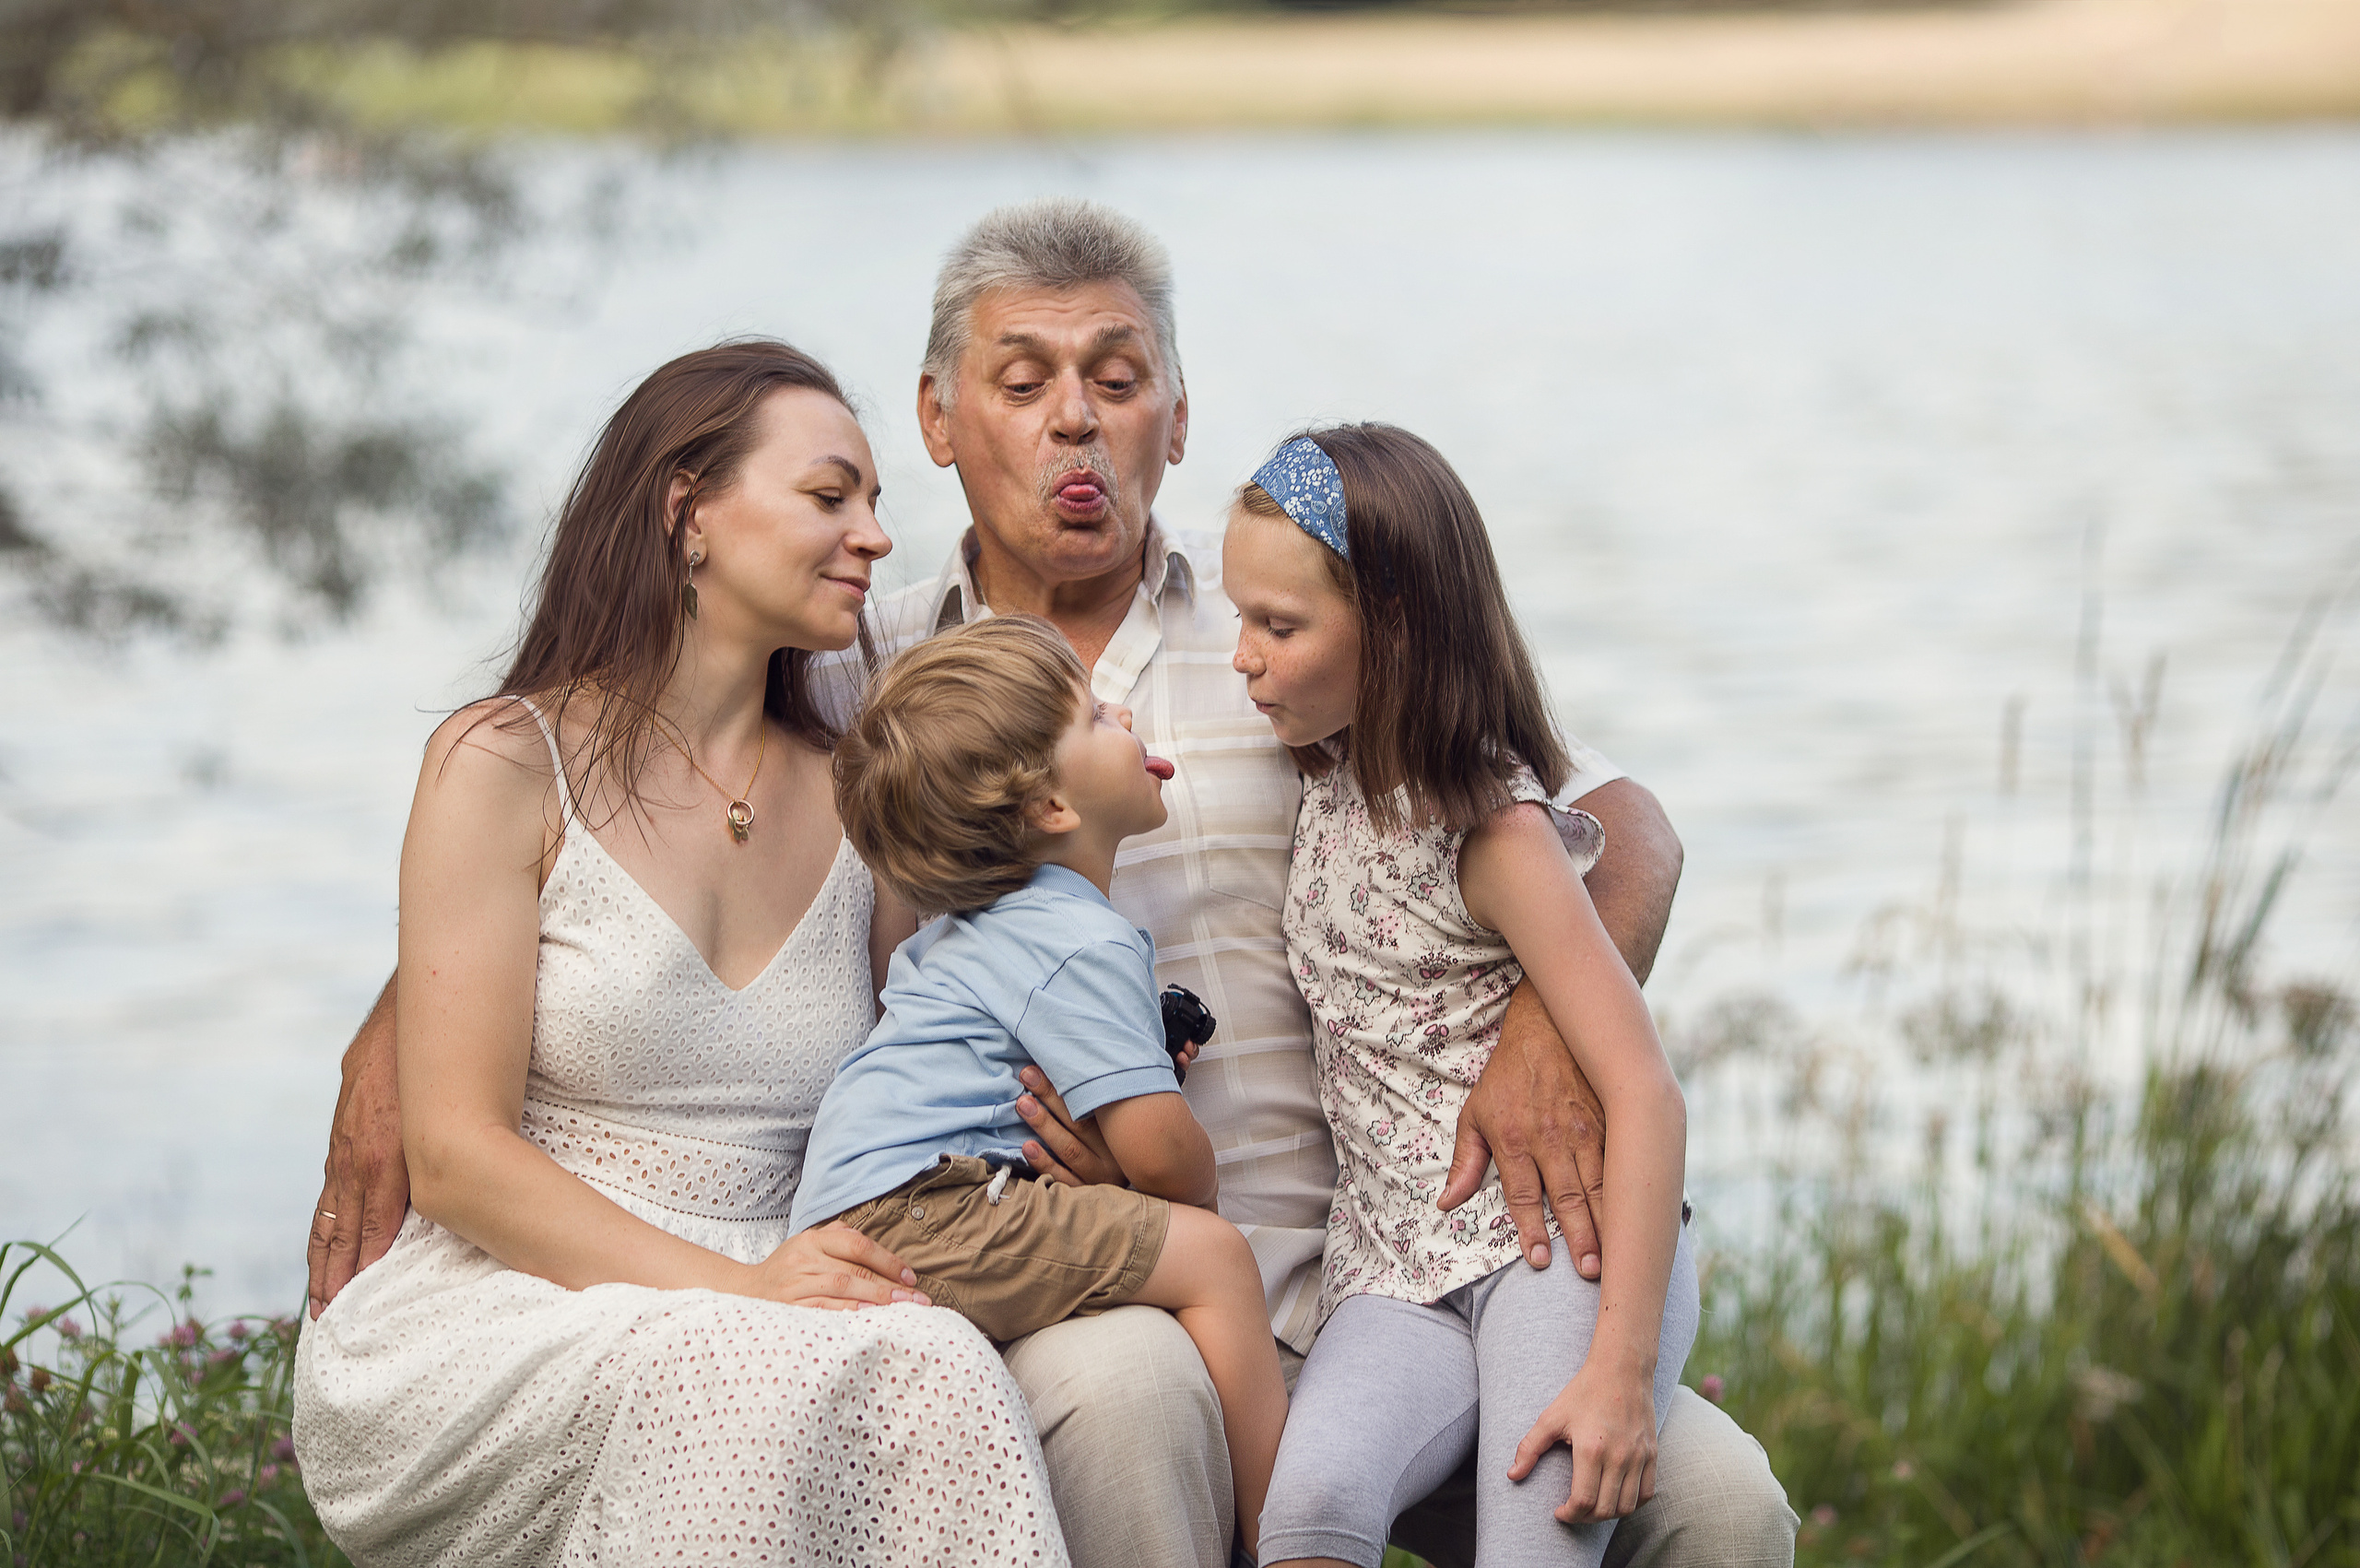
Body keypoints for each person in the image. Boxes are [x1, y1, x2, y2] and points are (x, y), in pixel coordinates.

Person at [307, 200, 1798, 1568]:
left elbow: (1615, 816)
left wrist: (1548, 1023)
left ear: (1181, 416)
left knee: (1723, 1509)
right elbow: (603, 808)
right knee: (1134, 1389)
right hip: (1071, 1268)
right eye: (1021, 382)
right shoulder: (849, 664)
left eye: (1119, 374)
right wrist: (402, 1030)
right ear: (941, 418)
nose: (1074, 418)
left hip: (1386, 1273)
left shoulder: (1295, 636)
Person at [291, 340, 1067, 1566]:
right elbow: (452, 1157)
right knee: (734, 1374)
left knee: (938, 1366)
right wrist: (731, 1288)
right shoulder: (502, 763)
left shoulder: (861, 792)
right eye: (831, 496)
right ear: (686, 511)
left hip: (787, 1253)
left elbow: (933, 1044)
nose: (872, 534)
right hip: (522, 1292)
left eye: (875, 503)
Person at [1228, 428, 1698, 1568]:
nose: (1241, 656)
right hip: (1392, 1263)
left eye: (1277, 629)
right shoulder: (1326, 778)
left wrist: (1622, 1372)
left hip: (1547, 1251)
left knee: (1535, 1537)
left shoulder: (1491, 827)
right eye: (1240, 618)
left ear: (1391, 627)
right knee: (1310, 1507)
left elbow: (1645, 1092)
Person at [791, 614, 1290, 1557]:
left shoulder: (971, 932)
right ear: (1051, 807)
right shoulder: (1079, 941)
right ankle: (1294, 1544)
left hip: (869, 1209)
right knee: (1214, 1255)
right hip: (920, 1208)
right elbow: (1166, 1167)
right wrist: (1181, 1166)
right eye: (1097, 718)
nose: (1124, 711)